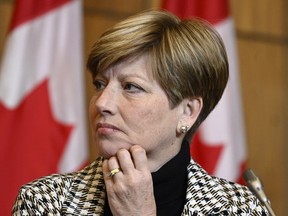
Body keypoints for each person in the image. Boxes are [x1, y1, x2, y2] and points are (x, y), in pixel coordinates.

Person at [12, 10, 269, 215]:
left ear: (187, 112)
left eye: (131, 87)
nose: (103, 103)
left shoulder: (240, 210)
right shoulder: (44, 203)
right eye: (100, 84)